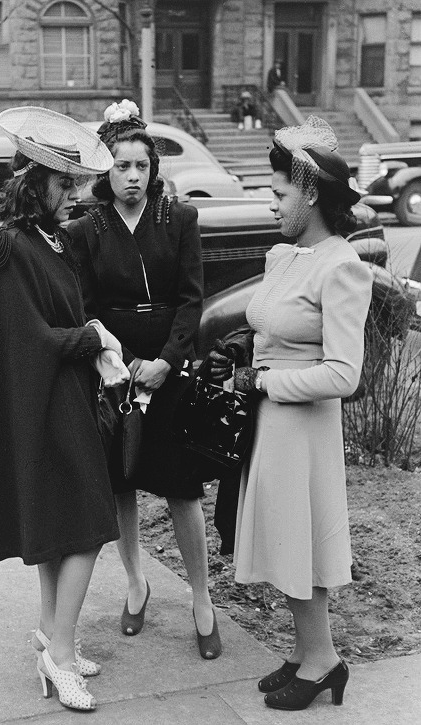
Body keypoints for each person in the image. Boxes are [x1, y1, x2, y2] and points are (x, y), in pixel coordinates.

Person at [209, 116, 373, 710]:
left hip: (302, 427)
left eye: (279, 193)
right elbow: (266, 328)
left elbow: (343, 374)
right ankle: (310, 653)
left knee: (302, 543)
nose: (271, 203)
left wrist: (266, 380)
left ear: (310, 192)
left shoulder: (340, 265)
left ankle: (325, 659)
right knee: (286, 542)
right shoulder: (285, 257)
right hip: (270, 424)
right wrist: (239, 360)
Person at [0, 106, 130, 712]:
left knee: (62, 527)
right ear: (31, 181)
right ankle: (59, 657)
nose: (75, 195)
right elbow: (28, 340)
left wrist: (86, 334)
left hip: (64, 397)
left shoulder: (49, 238)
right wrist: (93, 337)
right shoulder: (5, 245)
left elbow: (56, 322)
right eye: (65, 184)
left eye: (76, 183)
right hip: (42, 403)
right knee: (89, 526)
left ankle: (51, 634)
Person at [68, 99, 222, 660]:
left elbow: (190, 299)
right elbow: (86, 304)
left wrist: (166, 361)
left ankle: (202, 600)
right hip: (116, 374)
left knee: (181, 487)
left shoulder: (179, 218)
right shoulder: (85, 230)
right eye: (120, 167)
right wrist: (126, 363)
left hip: (170, 370)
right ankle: (136, 583)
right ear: (104, 172)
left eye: (141, 166)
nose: (132, 177)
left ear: (154, 168)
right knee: (122, 483)